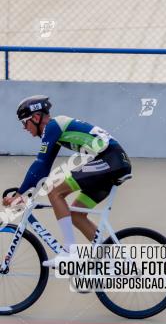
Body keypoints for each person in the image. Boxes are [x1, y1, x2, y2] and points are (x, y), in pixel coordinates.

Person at [2, 95, 132, 267]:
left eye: (24, 122)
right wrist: (24, 192)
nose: (24, 128)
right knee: (77, 215)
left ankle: (70, 251)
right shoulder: (55, 130)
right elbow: (44, 167)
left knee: (55, 191)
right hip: (113, 162)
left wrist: (19, 194)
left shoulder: (53, 126)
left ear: (35, 117)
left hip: (110, 160)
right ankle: (116, 262)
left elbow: (40, 164)